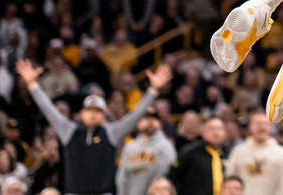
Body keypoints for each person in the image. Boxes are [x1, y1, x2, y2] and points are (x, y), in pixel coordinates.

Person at [16, 59, 172, 195]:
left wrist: (153, 90)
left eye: (97, 111)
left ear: (104, 114)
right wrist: (32, 84)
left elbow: (135, 116)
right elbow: (49, 110)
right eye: (89, 110)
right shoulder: (69, 131)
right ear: (82, 113)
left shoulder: (111, 132)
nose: (93, 114)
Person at [226, 110, 283, 195]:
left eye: (265, 124)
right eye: (257, 124)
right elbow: (230, 180)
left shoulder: (281, 153)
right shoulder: (238, 152)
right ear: (250, 127)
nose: (261, 127)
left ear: (270, 127)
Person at [117, 107, 178, 195]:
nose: (150, 122)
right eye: (146, 118)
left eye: (154, 119)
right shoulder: (130, 147)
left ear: (160, 123)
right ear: (139, 123)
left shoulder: (166, 147)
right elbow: (122, 178)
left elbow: (168, 178)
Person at [169, 117, 228, 195]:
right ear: (203, 133)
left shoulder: (229, 153)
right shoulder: (190, 152)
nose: (216, 132)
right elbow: (174, 176)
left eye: (219, 129)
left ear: (225, 133)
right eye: (211, 129)